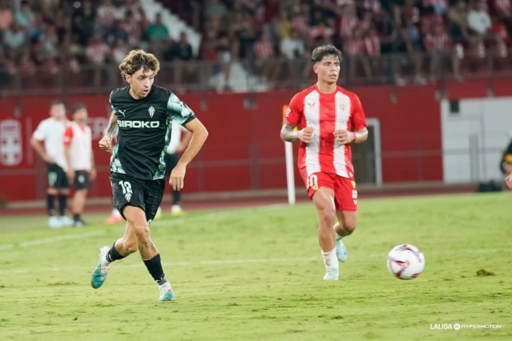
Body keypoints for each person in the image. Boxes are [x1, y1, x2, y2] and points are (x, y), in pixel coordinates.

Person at [92, 49, 208, 301]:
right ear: (127, 77)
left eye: (151, 77)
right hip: (123, 173)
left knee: (130, 245)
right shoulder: (117, 97)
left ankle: (106, 257)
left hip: (153, 178)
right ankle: (164, 286)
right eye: (142, 77)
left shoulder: (165, 99)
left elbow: (201, 131)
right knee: (143, 231)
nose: (147, 83)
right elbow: (116, 115)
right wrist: (107, 135)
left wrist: (181, 165)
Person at [280, 44, 368, 281]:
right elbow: (285, 132)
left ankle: (337, 238)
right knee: (327, 213)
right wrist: (298, 135)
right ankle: (331, 269)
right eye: (328, 64)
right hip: (313, 164)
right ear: (316, 68)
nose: (333, 69)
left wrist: (351, 136)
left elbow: (363, 132)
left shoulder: (350, 99)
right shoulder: (302, 99)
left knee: (349, 224)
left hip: (342, 166)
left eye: (337, 64)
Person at [30, 101, 74, 228]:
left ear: (65, 111)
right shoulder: (46, 124)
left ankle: (64, 216)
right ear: (51, 111)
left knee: (64, 190)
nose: (58, 112)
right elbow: (34, 140)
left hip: (67, 162)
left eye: (60, 110)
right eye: (55, 110)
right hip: (54, 162)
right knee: (53, 189)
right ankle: (52, 217)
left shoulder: (69, 125)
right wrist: (44, 155)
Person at [63, 104, 96, 227]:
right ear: (74, 115)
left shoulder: (87, 129)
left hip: (85, 165)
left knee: (83, 191)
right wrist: (69, 166)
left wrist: (92, 166)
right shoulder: (71, 128)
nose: (82, 115)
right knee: (79, 190)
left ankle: (78, 216)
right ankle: (75, 217)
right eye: (79, 112)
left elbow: (89, 149)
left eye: (84, 112)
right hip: (76, 165)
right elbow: (65, 149)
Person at [165, 121, 192, 217]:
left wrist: (183, 145)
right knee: (157, 182)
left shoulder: (175, 118)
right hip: (159, 154)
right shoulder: (155, 116)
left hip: (172, 154)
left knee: (176, 180)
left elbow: (190, 130)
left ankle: (176, 206)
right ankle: (156, 209)